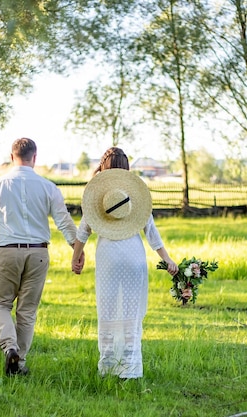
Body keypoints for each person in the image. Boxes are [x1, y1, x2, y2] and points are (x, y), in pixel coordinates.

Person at [0, 137, 82, 376]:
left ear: (12, 157)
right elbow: (64, 222)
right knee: (27, 310)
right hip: (39, 253)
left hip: (8, 251)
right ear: (35, 157)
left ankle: (9, 347)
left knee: (0, 303)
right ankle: (19, 363)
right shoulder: (48, 187)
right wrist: (77, 251)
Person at [71, 147, 178, 379]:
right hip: (133, 257)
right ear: (126, 167)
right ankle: (129, 367)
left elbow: (83, 231)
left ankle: (108, 365)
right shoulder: (134, 194)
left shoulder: (97, 195)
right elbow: (151, 231)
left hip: (109, 257)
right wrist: (167, 259)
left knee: (108, 310)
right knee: (131, 310)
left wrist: (76, 257)